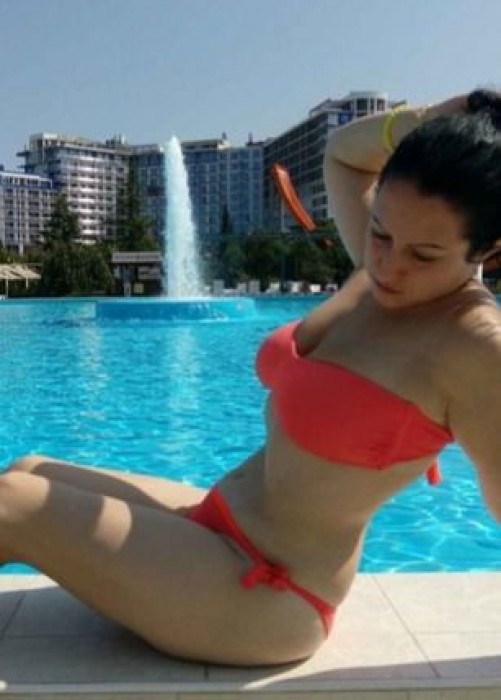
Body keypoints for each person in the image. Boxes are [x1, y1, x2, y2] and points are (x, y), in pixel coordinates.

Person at [1, 89, 500, 667]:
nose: (388, 264)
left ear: (488, 250)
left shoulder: (474, 345)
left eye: (425, 255)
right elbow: (343, 152)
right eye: (380, 233)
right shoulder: (377, 279)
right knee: (27, 469)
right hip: (215, 522)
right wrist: (458, 118)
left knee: (10, 504)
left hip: (268, 592)